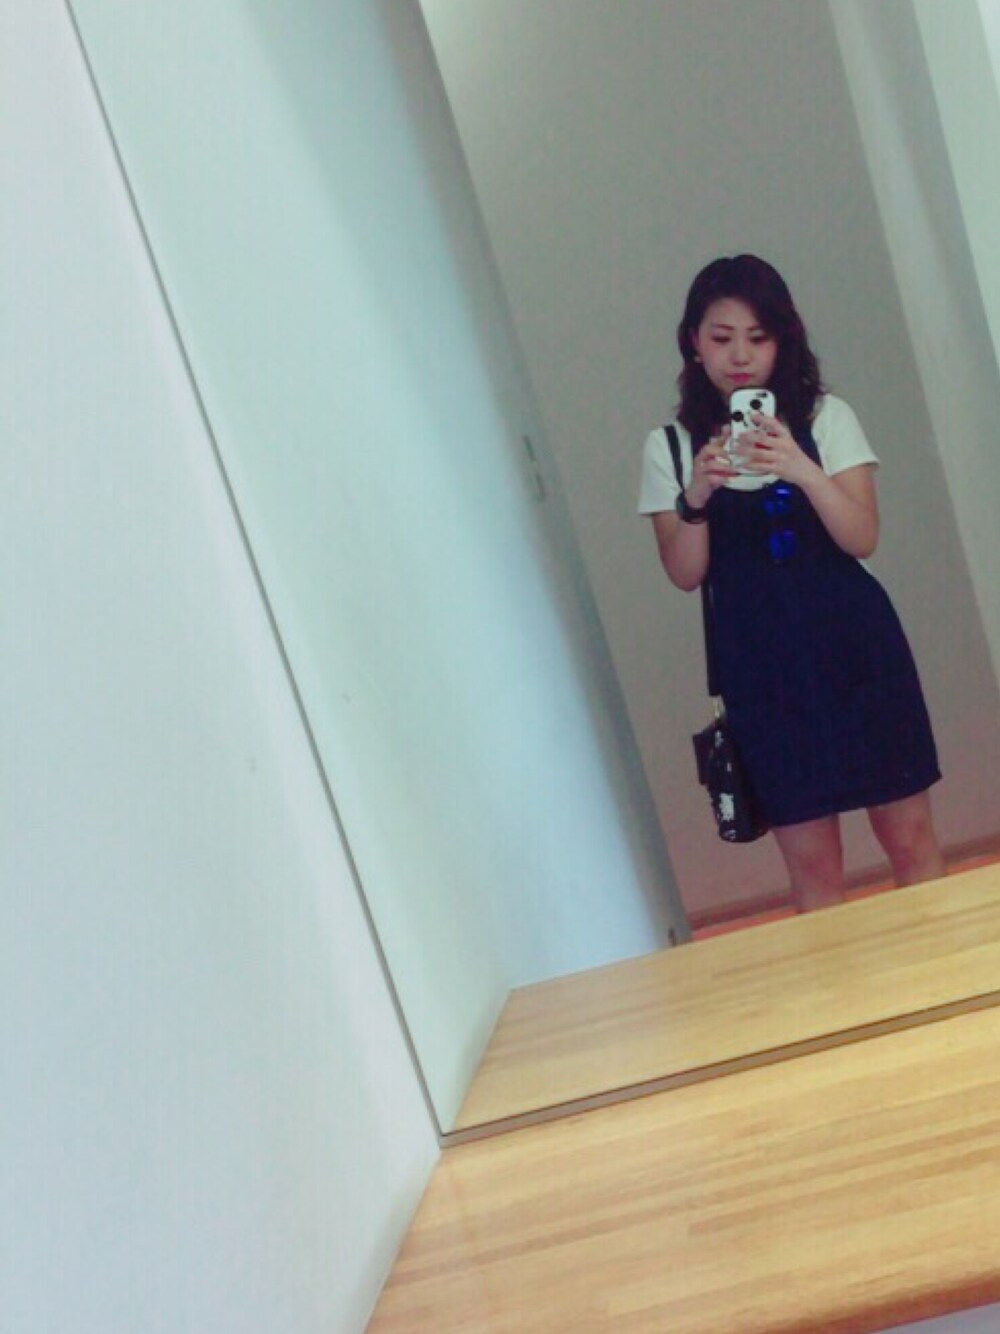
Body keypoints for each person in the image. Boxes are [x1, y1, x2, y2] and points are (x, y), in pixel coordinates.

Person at [638, 254, 945, 912]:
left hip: (860, 652)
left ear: (784, 339)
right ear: (693, 342)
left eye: (759, 336)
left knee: (911, 837)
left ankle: (947, 974)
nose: (740, 356)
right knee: (811, 867)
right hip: (762, 673)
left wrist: (801, 468)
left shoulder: (828, 417)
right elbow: (684, 573)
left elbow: (862, 537)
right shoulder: (671, 447)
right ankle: (844, 984)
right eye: (722, 337)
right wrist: (697, 495)